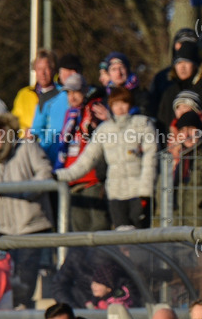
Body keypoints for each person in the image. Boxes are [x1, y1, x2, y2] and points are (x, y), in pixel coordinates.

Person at [0, 114, 54, 309]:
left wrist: (28, 192)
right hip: (6, 229)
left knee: (25, 284)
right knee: (9, 284)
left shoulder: (26, 147)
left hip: (31, 226)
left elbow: (45, 171)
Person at [56, 87, 157, 229]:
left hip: (138, 192)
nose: (120, 108)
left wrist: (145, 192)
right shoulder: (104, 129)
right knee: (121, 239)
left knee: (140, 240)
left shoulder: (143, 124)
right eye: (116, 104)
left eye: (124, 103)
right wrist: (59, 175)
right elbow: (86, 160)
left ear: (130, 104)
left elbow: (150, 161)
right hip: (116, 194)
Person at [56, 74, 110, 232]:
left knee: (99, 228)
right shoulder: (70, 115)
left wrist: (97, 124)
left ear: (85, 91)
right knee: (79, 230)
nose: (72, 97)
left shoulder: (94, 108)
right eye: (68, 93)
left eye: (76, 92)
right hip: (73, 181)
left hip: (92, 179)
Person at [11, 50, 62, 137]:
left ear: (53, 70)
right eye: (39, 69)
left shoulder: (62, 94)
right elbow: (14, 122)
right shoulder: (24, 94)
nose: (42, 73)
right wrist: (24, 132)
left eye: (47, 68)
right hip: (28, 144)